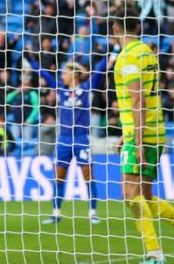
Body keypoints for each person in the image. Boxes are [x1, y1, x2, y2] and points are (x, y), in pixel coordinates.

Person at [111, 3, 174, 264]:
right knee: (144, 194)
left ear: (116, 28)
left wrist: (137, 141)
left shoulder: (127, 57)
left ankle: (155, 254)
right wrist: (126, 132)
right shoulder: (148, 52)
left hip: (143, 135)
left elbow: (138, 100)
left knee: (130, 194)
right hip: (154, 130)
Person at [25, 51, 111, 225]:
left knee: (88, 177)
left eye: (65, 73)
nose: (62, 76)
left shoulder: (86, 89)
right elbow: (44, 74)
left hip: (81, 139)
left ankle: (92, 212)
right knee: (58, 178)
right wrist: (31, 60)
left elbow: (100, 72)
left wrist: (107, 55)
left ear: (73, 75)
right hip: (63, 139)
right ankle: (56, 213)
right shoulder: (61, 90)